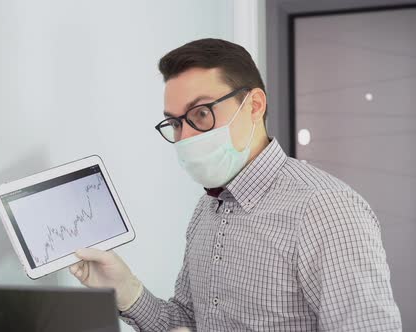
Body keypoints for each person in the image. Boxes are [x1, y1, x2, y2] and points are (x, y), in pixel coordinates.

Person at [69, 38, 402, 331]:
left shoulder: (326, 209)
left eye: (200, 114)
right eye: (174, 123)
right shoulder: (207, 209)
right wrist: (126, 290)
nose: (185, 137)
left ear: (254, 106)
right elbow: (186, 322)